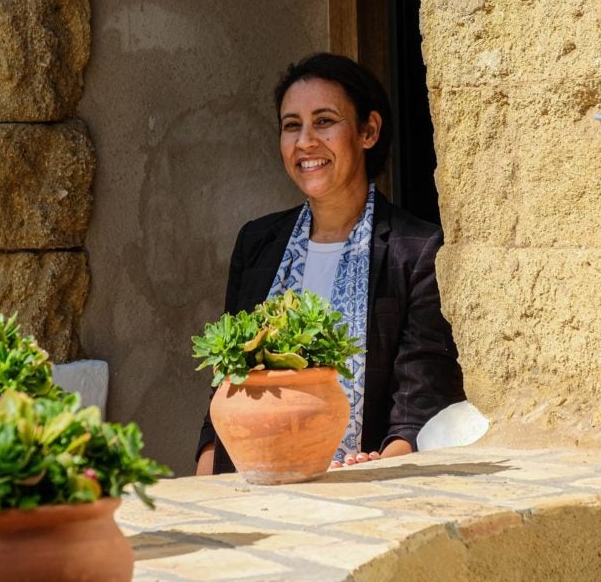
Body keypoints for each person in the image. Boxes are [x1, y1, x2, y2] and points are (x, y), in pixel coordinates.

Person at [195, 52, 465, 475]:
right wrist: (206, 485)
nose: (305, 141)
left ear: (368, 131)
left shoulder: (417, 250)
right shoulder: (257, 243)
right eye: (291, 125)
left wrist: (373, 471)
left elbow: (419, 402)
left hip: (359, 491)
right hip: (251, 486)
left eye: (324, 121)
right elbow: (226, 384)